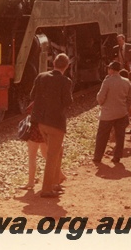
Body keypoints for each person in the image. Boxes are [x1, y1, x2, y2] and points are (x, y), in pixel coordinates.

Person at [30, 53, 73, 198]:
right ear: (66, 66)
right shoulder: (65, 81)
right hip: (56, 124)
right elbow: (68, 102)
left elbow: (32, 96)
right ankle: (47, 189)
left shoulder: (41, 77)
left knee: (58, 151)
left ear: (53, 63)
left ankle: (55, 182)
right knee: (52, 155)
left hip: (42, 123)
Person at [93, 61, 131, 164]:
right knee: (120, 136)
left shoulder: (107, 81)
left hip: (107, 114)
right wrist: (125, 108)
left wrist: (102, 104)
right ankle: (117, 157)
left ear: (111, 70)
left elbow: (100, 97)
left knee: (102, 135)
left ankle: (98, 157)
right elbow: (130, 98)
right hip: (121, 113)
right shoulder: (126, 81)